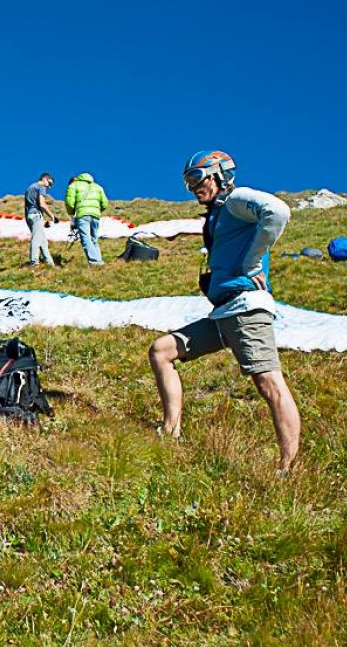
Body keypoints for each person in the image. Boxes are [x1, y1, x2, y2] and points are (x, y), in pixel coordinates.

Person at [148, 151, 301, 471]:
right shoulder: (218, 214)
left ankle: (288, 468)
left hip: (246, 309)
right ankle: (170, 432)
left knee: (269, 383)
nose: (192, 188)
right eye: (187, 182)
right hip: (223, 313)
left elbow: (278, 211)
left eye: (196, 178)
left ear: (219, 174)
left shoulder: (235, 200)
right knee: (161, 350)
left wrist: (252, 261)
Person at [64, 172, 110, 265]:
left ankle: (94, 262)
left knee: (86, 238)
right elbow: (105, 203)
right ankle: (99, 261)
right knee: (94, 239)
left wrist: (71, 213)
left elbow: (69, 202)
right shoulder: (98, 187)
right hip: (95, 216)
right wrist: (96, 210)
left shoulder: (73, 186)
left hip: (83, 215)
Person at [23, 173, 61, 267]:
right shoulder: (41, 187)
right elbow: (42, 204)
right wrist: (52, 217)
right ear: (44, 179)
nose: (50, 187)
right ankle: (34, 262)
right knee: (36, 239)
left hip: (30, 216)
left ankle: (50, 264)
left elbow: (31, 206)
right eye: (50, 183)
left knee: (43, 241)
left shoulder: (30, 187)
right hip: (36, 215)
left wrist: (42, 222)